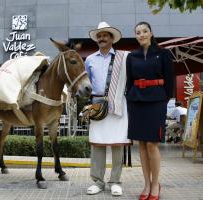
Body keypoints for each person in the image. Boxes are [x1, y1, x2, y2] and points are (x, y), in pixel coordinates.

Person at [126, 21, 174, 200]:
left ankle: (156, 184)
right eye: (138, 32)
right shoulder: (132, 56)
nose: (141, 34)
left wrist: (163, 99)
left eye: (145, 31)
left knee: (152, 144)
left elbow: (169, 81)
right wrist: (129, 96)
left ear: (151, 33)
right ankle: (146, 184)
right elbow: (129, 81)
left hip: (156, 102)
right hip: (136, 102)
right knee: (142, 146)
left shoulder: (163, 54)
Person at [85, 22, 131, 196]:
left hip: (118, 104)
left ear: (112, 38)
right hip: (97, 105)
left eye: (105, 35)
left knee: (117, 144)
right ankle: (97, 182)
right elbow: (87, 85)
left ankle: (115, 181)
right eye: (99, 36)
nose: (101, 38)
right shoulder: (89, 59)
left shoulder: (124, 57)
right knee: (97, 144)